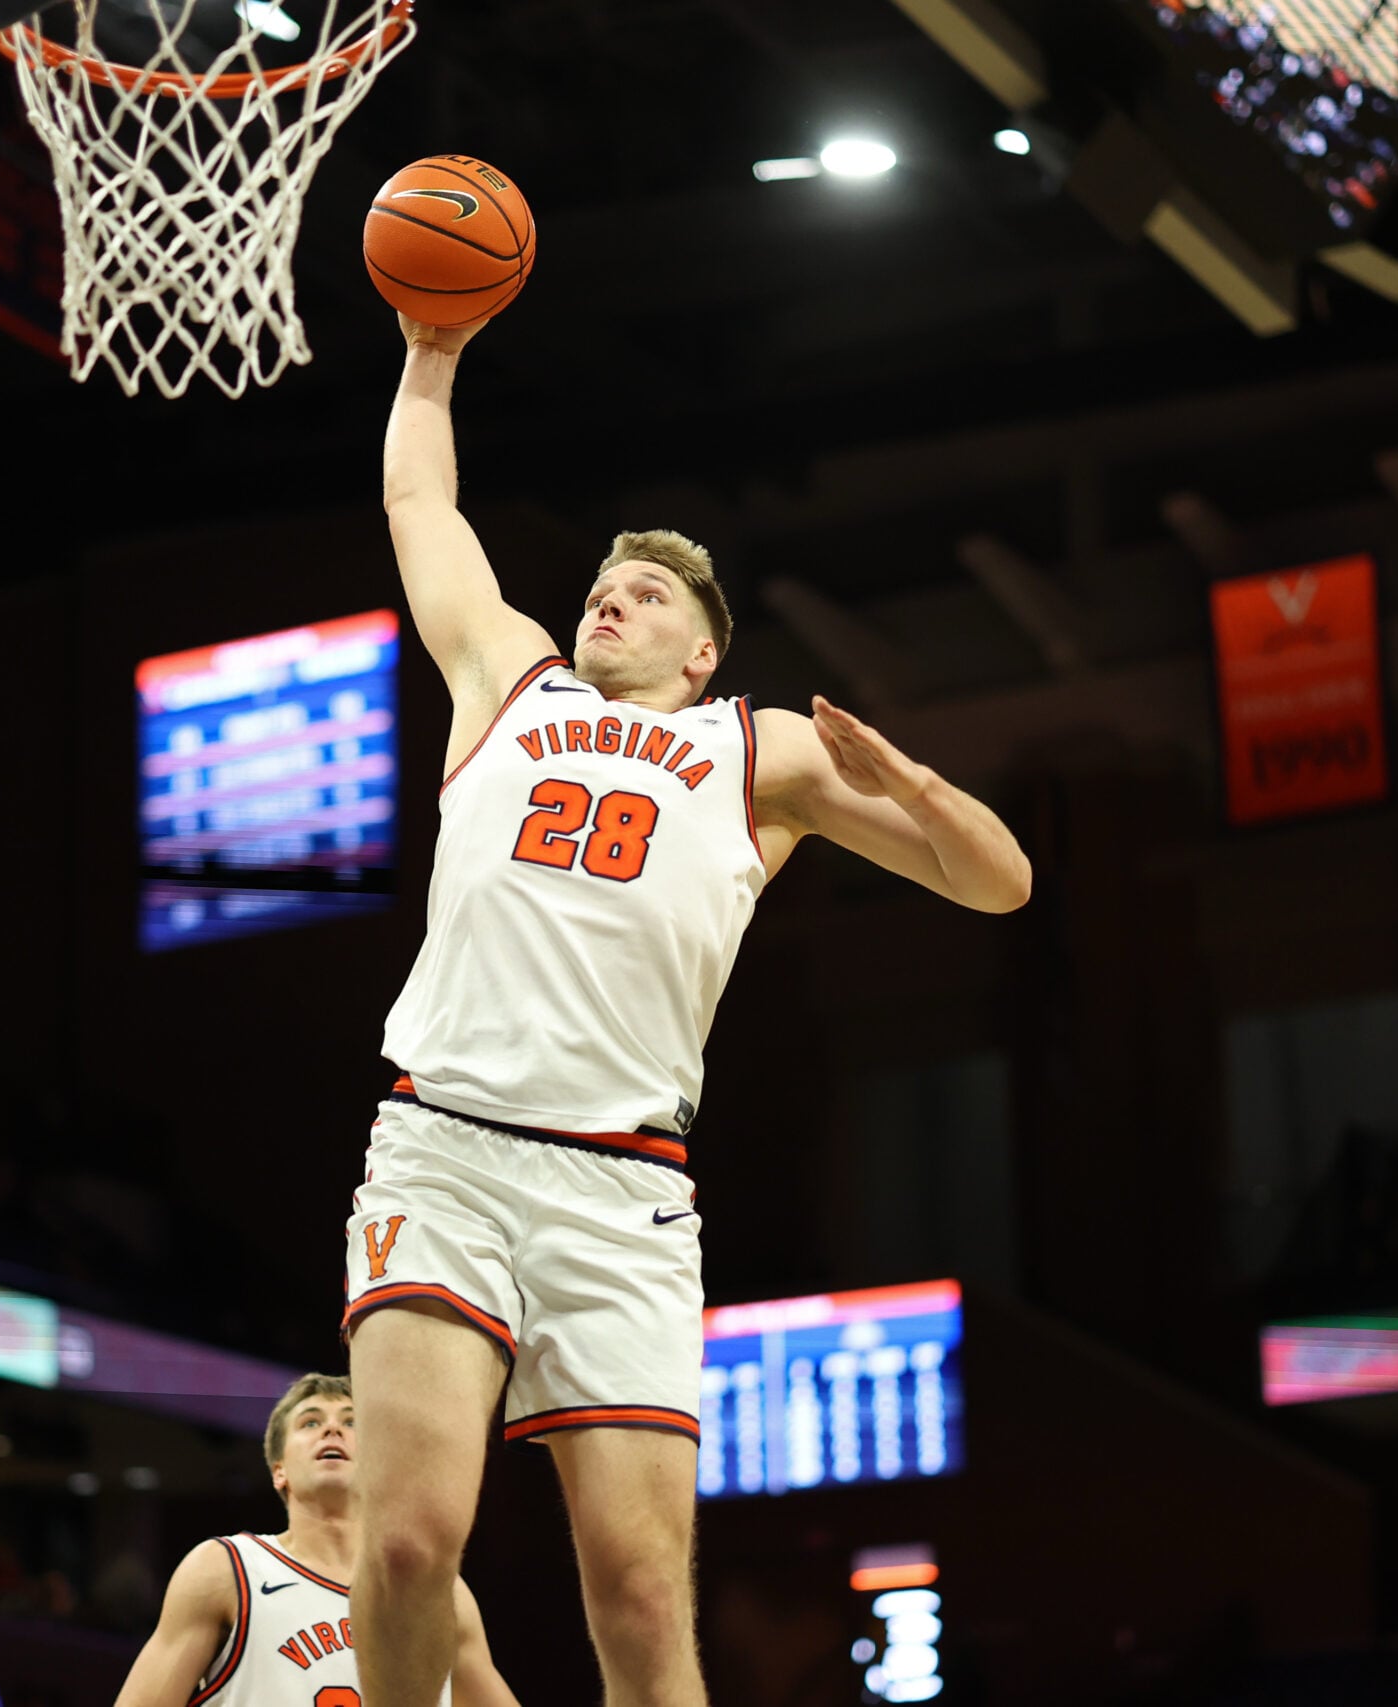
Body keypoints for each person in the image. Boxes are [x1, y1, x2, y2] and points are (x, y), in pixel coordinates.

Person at [344, 310, 1033, 1707]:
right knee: (412, 1537)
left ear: (704, 653)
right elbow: (422, 494)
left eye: (651, 592)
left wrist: (905, 782)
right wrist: (432, 347)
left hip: (624, 1187)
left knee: (647, 1596)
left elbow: (1000, 883)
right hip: (447, 1146)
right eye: (610, 580)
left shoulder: (752, 749)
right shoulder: (506, 674)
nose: (616, 597)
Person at [112, 1375, 516, 1707]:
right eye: (310, 1422)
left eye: (352, 1422)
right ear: (279, 1471)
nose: (332, 1428)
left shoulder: (439, 1592)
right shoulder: (227, 1569)